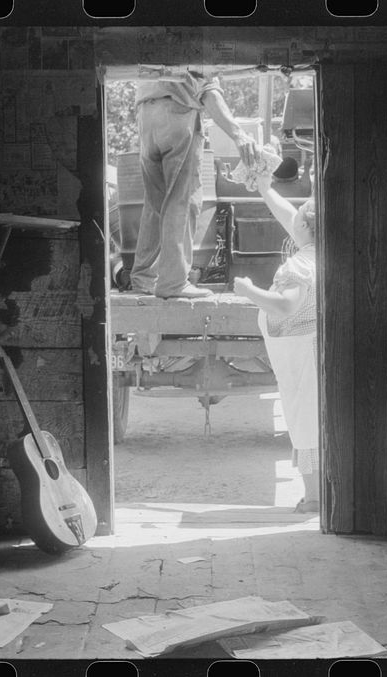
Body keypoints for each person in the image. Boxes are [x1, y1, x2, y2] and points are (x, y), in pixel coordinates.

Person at [232, 172, 319, 513]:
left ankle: (314, 498)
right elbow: (289, 215)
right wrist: (264, 188)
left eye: (297, 221)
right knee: (314, 422)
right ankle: (320, 493)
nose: (290, 221)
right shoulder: (322, 253)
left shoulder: (297, 265)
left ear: (305, 229)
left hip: (300, 356)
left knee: (305, 425)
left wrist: (249, 290)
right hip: (312, 350)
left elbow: (286, 305)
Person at [132, 71, 261, 298]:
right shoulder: (197, 39)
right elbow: (208, 89)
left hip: (146, 114)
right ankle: (174, 282)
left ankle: (144, 277)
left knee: (156, 203)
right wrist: (238, 135)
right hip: (177, 114)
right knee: (182, 200)